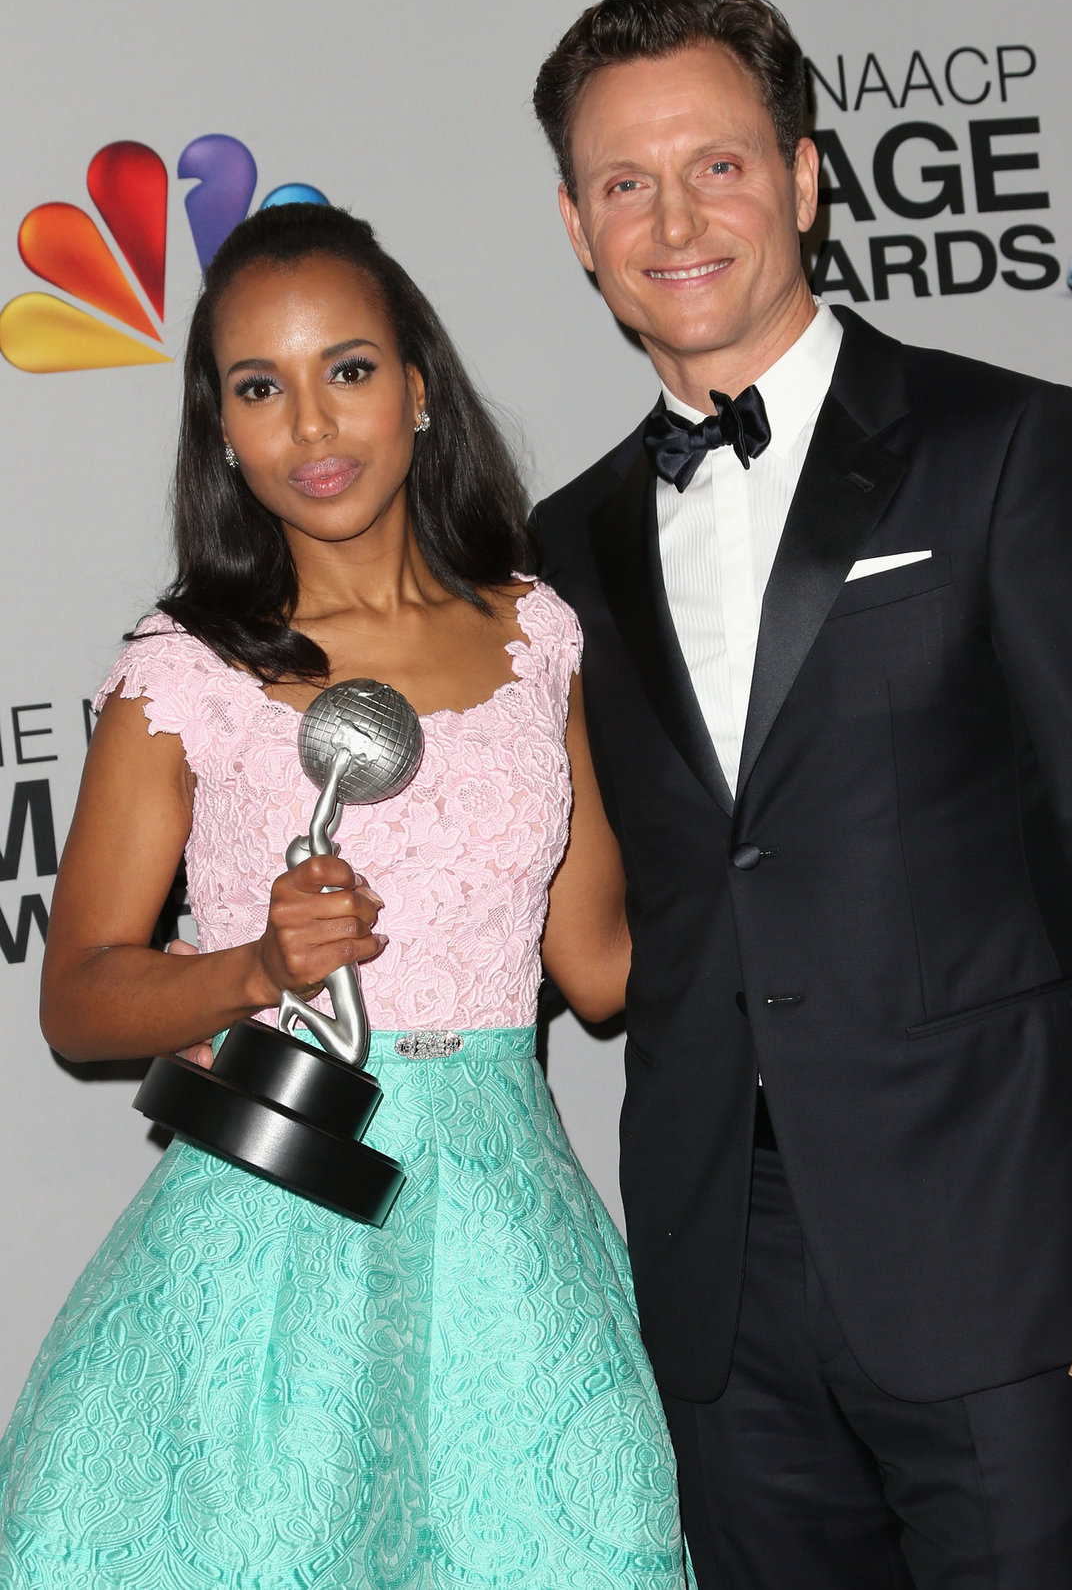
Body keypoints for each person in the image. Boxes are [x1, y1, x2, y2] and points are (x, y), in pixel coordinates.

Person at [530, 0, 1072, 1590]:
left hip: (1006, 1255)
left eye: (716, 165)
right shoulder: (563, 548)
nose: (674, 219)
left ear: (804, 177)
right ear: (575, 226)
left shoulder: (1009, 449)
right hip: (722, 1283)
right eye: (625, 185)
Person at [0, 203, 692, 1590]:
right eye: (261, 388)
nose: (312, 427)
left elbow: (605, 964)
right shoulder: (185, 667)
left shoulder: (536, 634)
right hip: (277, 1207)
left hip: (506, 1232)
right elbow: (79, 997)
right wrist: (252, 967)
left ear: (420, 385)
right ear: (223, 429)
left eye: (350, 370)